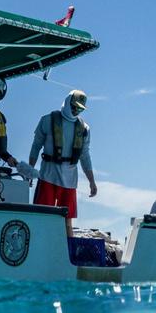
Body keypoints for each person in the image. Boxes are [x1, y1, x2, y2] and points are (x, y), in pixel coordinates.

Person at [28, 90, 97, 235]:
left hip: (70, 180)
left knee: (67, 220)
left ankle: (67, 252)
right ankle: (38, 246)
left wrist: (92, 181)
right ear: (67, 102)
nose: (76, 111)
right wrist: (30, 170)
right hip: (48, 176)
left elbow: (85, 156)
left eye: (80, 109)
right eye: (74, 106)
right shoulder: (47, 120)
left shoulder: (84, 129)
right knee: (43, 215)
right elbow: (36, 146)